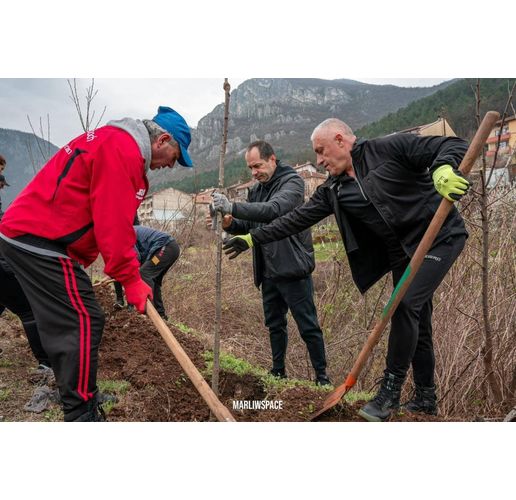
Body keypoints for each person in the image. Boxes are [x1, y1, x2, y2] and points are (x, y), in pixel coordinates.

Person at [223, 119, 470, 421]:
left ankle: (389, 394)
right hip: (403, 254)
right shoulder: (333, 190)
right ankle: (425, 398)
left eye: (321, 151)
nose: (319, 161)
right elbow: (295, 219)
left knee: (403, 304)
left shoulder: (388, 148)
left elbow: (453, 144)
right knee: (417, 320)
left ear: (340, 140)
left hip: (439, 237)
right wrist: (252, 238)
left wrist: (442, 169)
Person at [0, 106, 193, 421]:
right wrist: (131, 279)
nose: (172, 163)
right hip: (35, 237)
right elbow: (113, 225)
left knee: (70, 320)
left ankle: (81, 398)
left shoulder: (115, 142)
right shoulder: (123, 151)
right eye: (176, 155)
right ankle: (82, 414)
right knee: (83, 319)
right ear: (163, 140)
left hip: (33, 237)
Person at [212, 140, 330, 385]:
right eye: (250, 168)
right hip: (267, 269)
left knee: (308, 325)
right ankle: (278, 371)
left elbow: (274, 210)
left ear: (273, 159)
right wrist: (229, 223)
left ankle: (322, 377)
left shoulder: (293, 183)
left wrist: (233, 205)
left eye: (258, 165)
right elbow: (250, 224)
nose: (254, 172)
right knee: (275, 324)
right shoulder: (256, 189)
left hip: (292, 266)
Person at [114, 225, 180, 320]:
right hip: (169, 249)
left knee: (144, 273)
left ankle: (150, 313)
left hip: (165, 248)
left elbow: (136, 258)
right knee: (153, 279)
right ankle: (161, 314)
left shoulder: (124, 234)